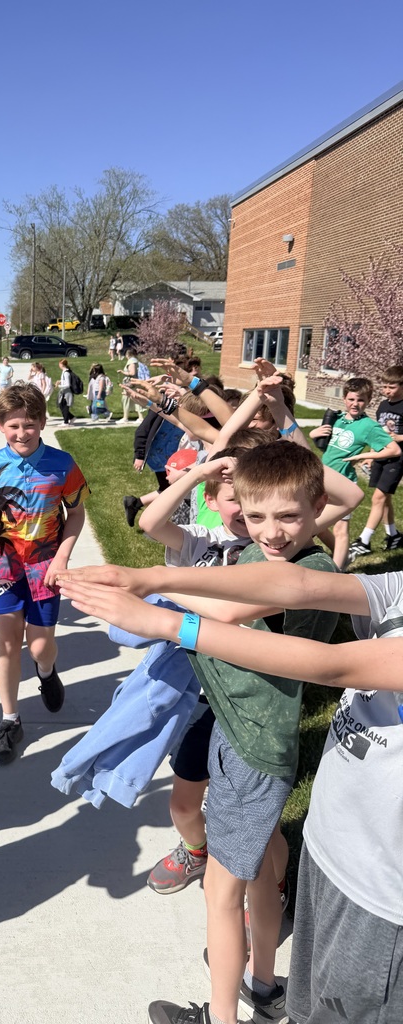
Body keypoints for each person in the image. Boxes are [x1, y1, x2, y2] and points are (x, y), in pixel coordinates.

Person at [60, 441, 341, 1024]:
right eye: (256, 515)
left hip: (253, 748)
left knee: (221, 894)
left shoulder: (310, 570)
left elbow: (230, 613)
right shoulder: (253, 560)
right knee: (263, 871)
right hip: (237, 731)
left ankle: (220, 1016)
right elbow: (221, 587)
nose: (271, 530)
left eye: (289, 515)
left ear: (317, 509)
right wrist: (138, 578)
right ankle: (263, 986)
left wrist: (141, 587)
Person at [59, 556, 403, 1024]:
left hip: (380, 896)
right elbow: (299, 583)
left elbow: (334, 666)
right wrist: (151, 577)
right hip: (329, 855)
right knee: (310, 1004)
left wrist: (163, 620)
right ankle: (263, 992)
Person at [0, 382, 89, 764]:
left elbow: (77, 514)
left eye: (30, 425)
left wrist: (62, 558)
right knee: (6, 642)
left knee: (38, 646)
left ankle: (47, 671)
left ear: (42, 423)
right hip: (3, 563)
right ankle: (9, 718)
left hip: (45, 565)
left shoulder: (62, 465)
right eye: (14, 425)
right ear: (1, 426)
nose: (22, 433)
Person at [310, 377, 400, 568]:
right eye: (351, 399)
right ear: (344, 399)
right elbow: (325, 446)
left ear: (368, 401)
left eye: (360, 400)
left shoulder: (369, 426)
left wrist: (361, 456)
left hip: (344, 484)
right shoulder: (338, 419)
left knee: (341, 529)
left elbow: (394, 449)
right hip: (322, 478)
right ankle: (343, 554)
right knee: (314, 524)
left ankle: (337, 572)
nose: (355, 404)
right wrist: (312, 434)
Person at [348, 364, 403, 560]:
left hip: (397, 458)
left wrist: (399, 438)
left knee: (378, 498)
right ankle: (394, 536)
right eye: (385, 386)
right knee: (385, 498)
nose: (387, 390)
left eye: (392, 386)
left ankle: (364, 541)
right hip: (381, 456)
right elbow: (377, 434)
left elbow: (394, 438)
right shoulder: (382, 405)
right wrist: (371, 455)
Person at [117, 348, 139, 422]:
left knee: (126, 399)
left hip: (130, 383)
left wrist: (122, 372)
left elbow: (132, 373)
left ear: (128, 354)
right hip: (132, 383)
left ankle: (125, 417)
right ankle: (139, 417)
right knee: (134, 399)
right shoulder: (134, 361)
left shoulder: (131, 361)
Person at [56, 358, 75, 424]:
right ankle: (71, 417)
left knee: (64, 406)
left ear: (62, 364)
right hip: (64, 391)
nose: (59, 365)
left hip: (67, 392)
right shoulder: (64, 372)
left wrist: (59, 386)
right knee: (62, 405)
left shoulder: (66, 373)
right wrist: (60, 381)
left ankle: (66, 422)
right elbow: (65, 381)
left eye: (59, 363)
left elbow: (68, 384)